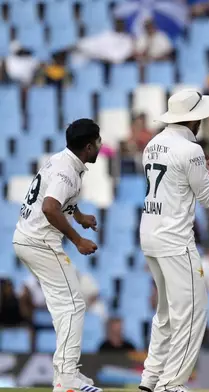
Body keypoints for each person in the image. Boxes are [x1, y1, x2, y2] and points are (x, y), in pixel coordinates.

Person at [137, 89, 209, 392]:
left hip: (150, 234)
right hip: (174, 240)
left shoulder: (153, 144)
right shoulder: (190, 150)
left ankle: (150, 379)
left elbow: (177, 182)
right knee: (193, 313)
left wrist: (203, 171)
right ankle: (171, 384)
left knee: (166, 313)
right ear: (195, 118)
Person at [12, 118, 103, 392]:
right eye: (98, 142)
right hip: (40, 241)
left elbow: (62, 200)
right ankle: (66, 379)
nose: (101, 145)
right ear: (88, 147)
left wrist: (79, 216)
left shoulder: (64, 161)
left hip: (28, 238)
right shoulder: (66, 171)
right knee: (74, 305)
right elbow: (51, 208)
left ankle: (65, 374)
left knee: (65, 307)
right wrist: (77, 240)